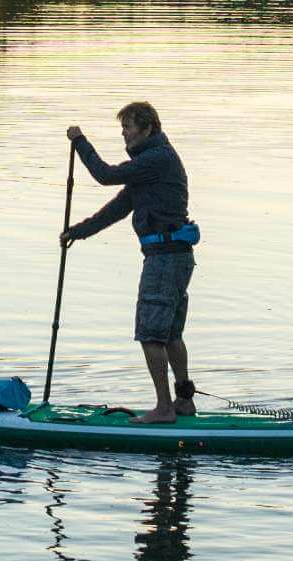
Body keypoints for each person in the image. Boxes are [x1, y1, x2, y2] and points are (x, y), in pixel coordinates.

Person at [62, 100, 198, 423]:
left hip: (165, 261)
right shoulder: (149, 167)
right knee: (172, 335)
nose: (123, 134)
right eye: (122, 128)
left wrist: (80, 141)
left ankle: (165, 408)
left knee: (151, 335)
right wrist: (77, 232)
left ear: (147, 128)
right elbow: (117, 208)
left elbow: (105, 175)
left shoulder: (157, 158)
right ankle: (184, 402)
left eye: (128, 127)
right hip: (175, 257)